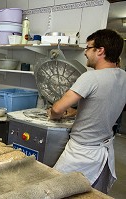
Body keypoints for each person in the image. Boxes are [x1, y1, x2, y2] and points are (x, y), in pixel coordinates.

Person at [48, 29, 126, 194]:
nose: (85, 52)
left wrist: (55, 114)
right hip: (103, 148)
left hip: (82, 151)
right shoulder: (123, 77)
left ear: (100, 50)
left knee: (56, 190)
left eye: (88, 47)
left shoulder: (90, 77)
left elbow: (57, 108)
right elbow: (104, 104)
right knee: (91, 194)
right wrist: (77, 112)